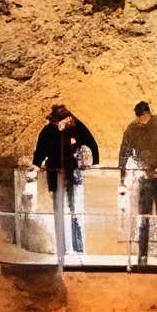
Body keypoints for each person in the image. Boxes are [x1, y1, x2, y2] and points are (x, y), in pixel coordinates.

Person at [117, 99, 157, 266]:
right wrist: (122, 176)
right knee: (143, 218)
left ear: (147, 114)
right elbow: (124, 153)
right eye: (139, 118)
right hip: (145, 178)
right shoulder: (132, 129)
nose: (141, 121)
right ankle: (142, 257)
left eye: (143, 118)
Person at [31, 102, 100, 256]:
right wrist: (36, 164)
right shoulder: (48, 131)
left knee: (75, 209)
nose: (68, 122)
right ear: (56, 121)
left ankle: (77, 246)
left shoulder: (74, 127)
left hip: (71, 174)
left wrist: (94, 161)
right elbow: (40, 150)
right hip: (56, 174)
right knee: (59, 210)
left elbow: (89, 141)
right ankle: (62, 247)